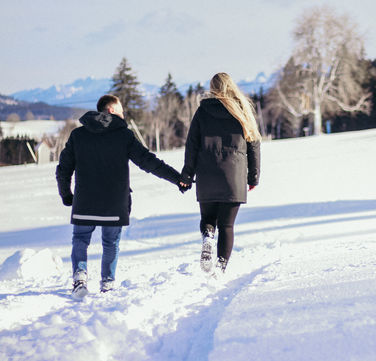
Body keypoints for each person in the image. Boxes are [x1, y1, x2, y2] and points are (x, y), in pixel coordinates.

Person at [56, 94, 185, 299]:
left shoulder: (78, 135)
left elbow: (63, 169)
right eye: (121, 110)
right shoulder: (124, 136)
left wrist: (66, 194)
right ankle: (107, 283)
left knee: (80, 239)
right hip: (114, 204)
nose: (124, 114)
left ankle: (80, 279)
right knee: (111, 243)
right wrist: (177, 178)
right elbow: (148, 162)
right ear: (110, 111)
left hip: (84, 202)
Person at [180, 72, 261, 274]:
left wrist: (187, 174)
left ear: (212, 88)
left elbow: (192, 145)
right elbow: (254, 144)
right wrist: (253, 176)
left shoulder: (202, 111)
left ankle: (208, 236)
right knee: (226, 225)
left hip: (207, 173)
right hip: (234, 175)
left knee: (209, 218)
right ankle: (220, 266)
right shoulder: (241, 110)